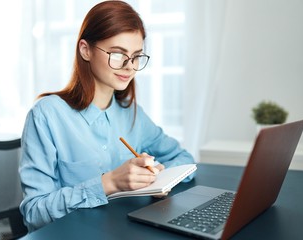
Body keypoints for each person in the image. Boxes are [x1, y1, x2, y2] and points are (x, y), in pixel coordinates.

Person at [19, 0, 195, 232]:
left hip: (123, 231)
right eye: (117, 54)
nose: (129, 67)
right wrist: (108, 183)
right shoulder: (47, 115)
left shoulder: (132, 114)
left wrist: (156, 178)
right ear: (85, 50)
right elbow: (34, 213)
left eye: (136, 56)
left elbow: (184, 158)